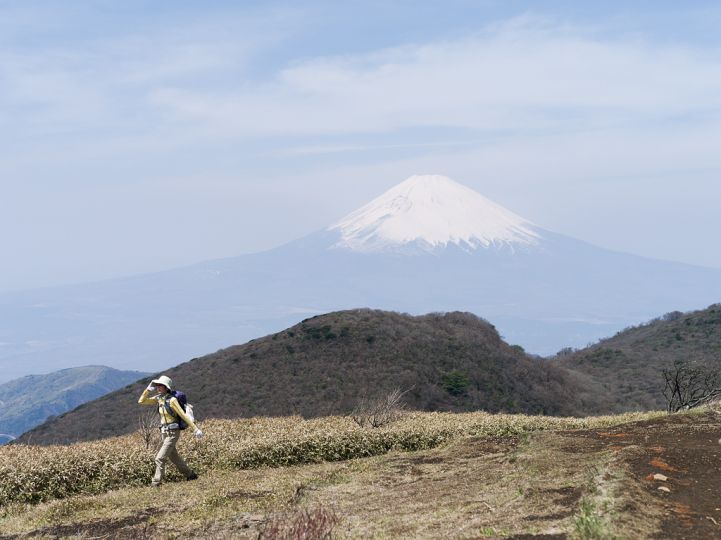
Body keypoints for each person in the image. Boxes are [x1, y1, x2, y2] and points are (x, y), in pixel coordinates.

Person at [138, 375, 203, 487]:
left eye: (160, 385)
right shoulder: (159, 398)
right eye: (157, 385)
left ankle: (156, 482)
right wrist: (148, 389)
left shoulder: (172, 400)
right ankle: (190, 475)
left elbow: (183, 415)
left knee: (159, 458)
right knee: (174, 457)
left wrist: (195, 429)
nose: (158, 387)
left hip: (173, 432)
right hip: (164, 432)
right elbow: (141, 401)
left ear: (166, 387)